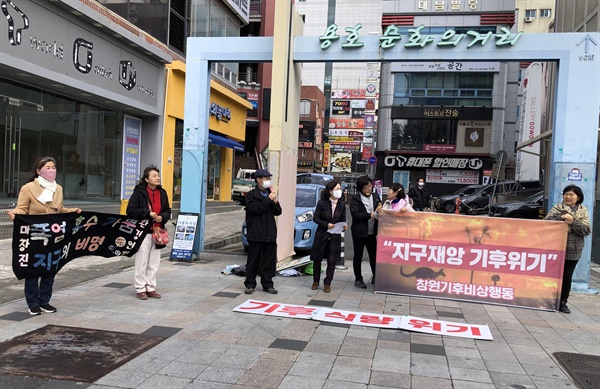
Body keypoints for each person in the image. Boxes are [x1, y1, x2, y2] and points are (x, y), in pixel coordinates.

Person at [7, 157, 81, 315]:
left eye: (53, 167)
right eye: (47, 167)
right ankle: (32, 303)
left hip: (53, 235)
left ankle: (44, 301)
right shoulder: (28, 188)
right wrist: (15, 214)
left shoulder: (58, 188)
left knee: (50, 268)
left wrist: (73, 211)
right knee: (33, 270)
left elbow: (59, 208)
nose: (51, 170)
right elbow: (22, 208)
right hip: (35, 235)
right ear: (39, 170)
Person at [543, 185, 591, 314]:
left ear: (578, 197)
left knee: (566, 276)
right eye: (566, 194)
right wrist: (561, 218)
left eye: (571, 195)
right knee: (552, 275)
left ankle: (563, 302)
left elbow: (586, 230)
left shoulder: (583, 210)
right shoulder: (557, 208)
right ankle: (549, 300)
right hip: (556, 247)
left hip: (573, 248)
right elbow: (546, 223)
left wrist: (573, 222)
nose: (568, 197)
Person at [127, 165, 171, 300]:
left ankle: (150, 287)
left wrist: (161, 217)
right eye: (154, 176)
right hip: (143, 232)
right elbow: (130, 210)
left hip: (158, 232)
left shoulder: (162, 193)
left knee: (154, 262)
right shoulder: (139, 193)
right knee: (142, 261)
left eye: (158, 175)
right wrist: (148, 213)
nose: (157, 178)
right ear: (146, 179)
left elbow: (167, 210)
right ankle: (140, 288)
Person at [244, 168, 282, 295]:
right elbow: (255, 209)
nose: (268, 181)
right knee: (253, 261)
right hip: (256, 233)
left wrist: (275, 202)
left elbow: (278, 212)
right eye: (266, 178)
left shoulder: (270, 194)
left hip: (269, 233)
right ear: (258, 180)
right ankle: (250, 284)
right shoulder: (251, 195)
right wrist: (268, 200)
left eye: (269, 178)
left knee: (268, 261)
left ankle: (267, 284)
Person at [310, 180, 347, 293]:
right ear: (330, 191)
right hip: (322, 234)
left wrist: (344, 225)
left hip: (335, 235)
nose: (339, 191)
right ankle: (316, 281)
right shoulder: (322, 203)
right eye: (336, 189)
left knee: (332, 261)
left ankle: (327, 283)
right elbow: (316, 218)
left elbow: (343, 219)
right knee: (318, 259)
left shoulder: (341, 204)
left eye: (340, 189)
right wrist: (326, 225)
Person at [350, 175, 382, 288]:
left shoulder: (375, 196)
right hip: (359, 232)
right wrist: (370, 215)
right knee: (358, 256)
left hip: (372, 232)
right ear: (360, 188)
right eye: (366, 187)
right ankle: (358, 279)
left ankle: (375, 276)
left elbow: (380, 207)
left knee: (374, 256)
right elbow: (355, 215)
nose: (369, 189)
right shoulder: (355, 198)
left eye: (370, 186)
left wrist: (380, 209)